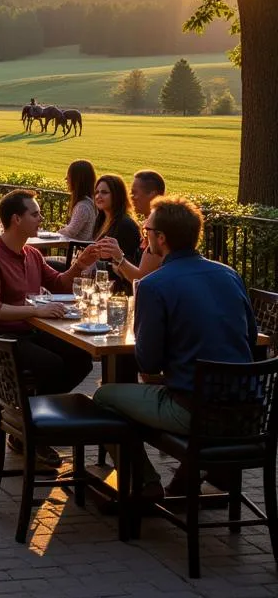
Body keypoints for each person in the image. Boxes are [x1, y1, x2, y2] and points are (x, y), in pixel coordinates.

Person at [93, 197, 257, 497]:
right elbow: (251, 336)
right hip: (247, 409)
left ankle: (145, 482)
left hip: (193, 410)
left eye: (147, 229)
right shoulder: (229, 274)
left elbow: (147, 363)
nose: (144, 234)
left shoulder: (154, 285)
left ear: (162, 237)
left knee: (104, 396)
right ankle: (189, 480)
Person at [0, 189, 101, 466]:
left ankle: (29, 424)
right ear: (16, 219)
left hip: (28, 330)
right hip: (0, 339)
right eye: (36, 214)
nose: (41, 219)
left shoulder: (31, 254)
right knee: (51, 365)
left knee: (80, 358)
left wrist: (81, 263)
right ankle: (32, 431)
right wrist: (36, 310)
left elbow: (60, 284)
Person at [96, 170, 167, 287]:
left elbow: (141, 279)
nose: (131, 197)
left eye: (134, 193)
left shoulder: (157, 230)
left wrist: (119, 258)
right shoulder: (147, 226)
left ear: (153, 195)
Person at [92, 173, 142, 293]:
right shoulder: (101, 220)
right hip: (101, 281)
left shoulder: (125, 225)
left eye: (104, 192)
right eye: (97, 192)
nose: (98, 196)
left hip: (117, 288)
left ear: (117, 195)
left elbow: (128, 263)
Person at [57, 159, 97, 241]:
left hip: (82, 250)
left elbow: (71, 232)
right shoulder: (90, 202)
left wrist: (53, 234)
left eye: (69, 176)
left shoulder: (83, 206)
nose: (66, 179)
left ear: (76, 180)